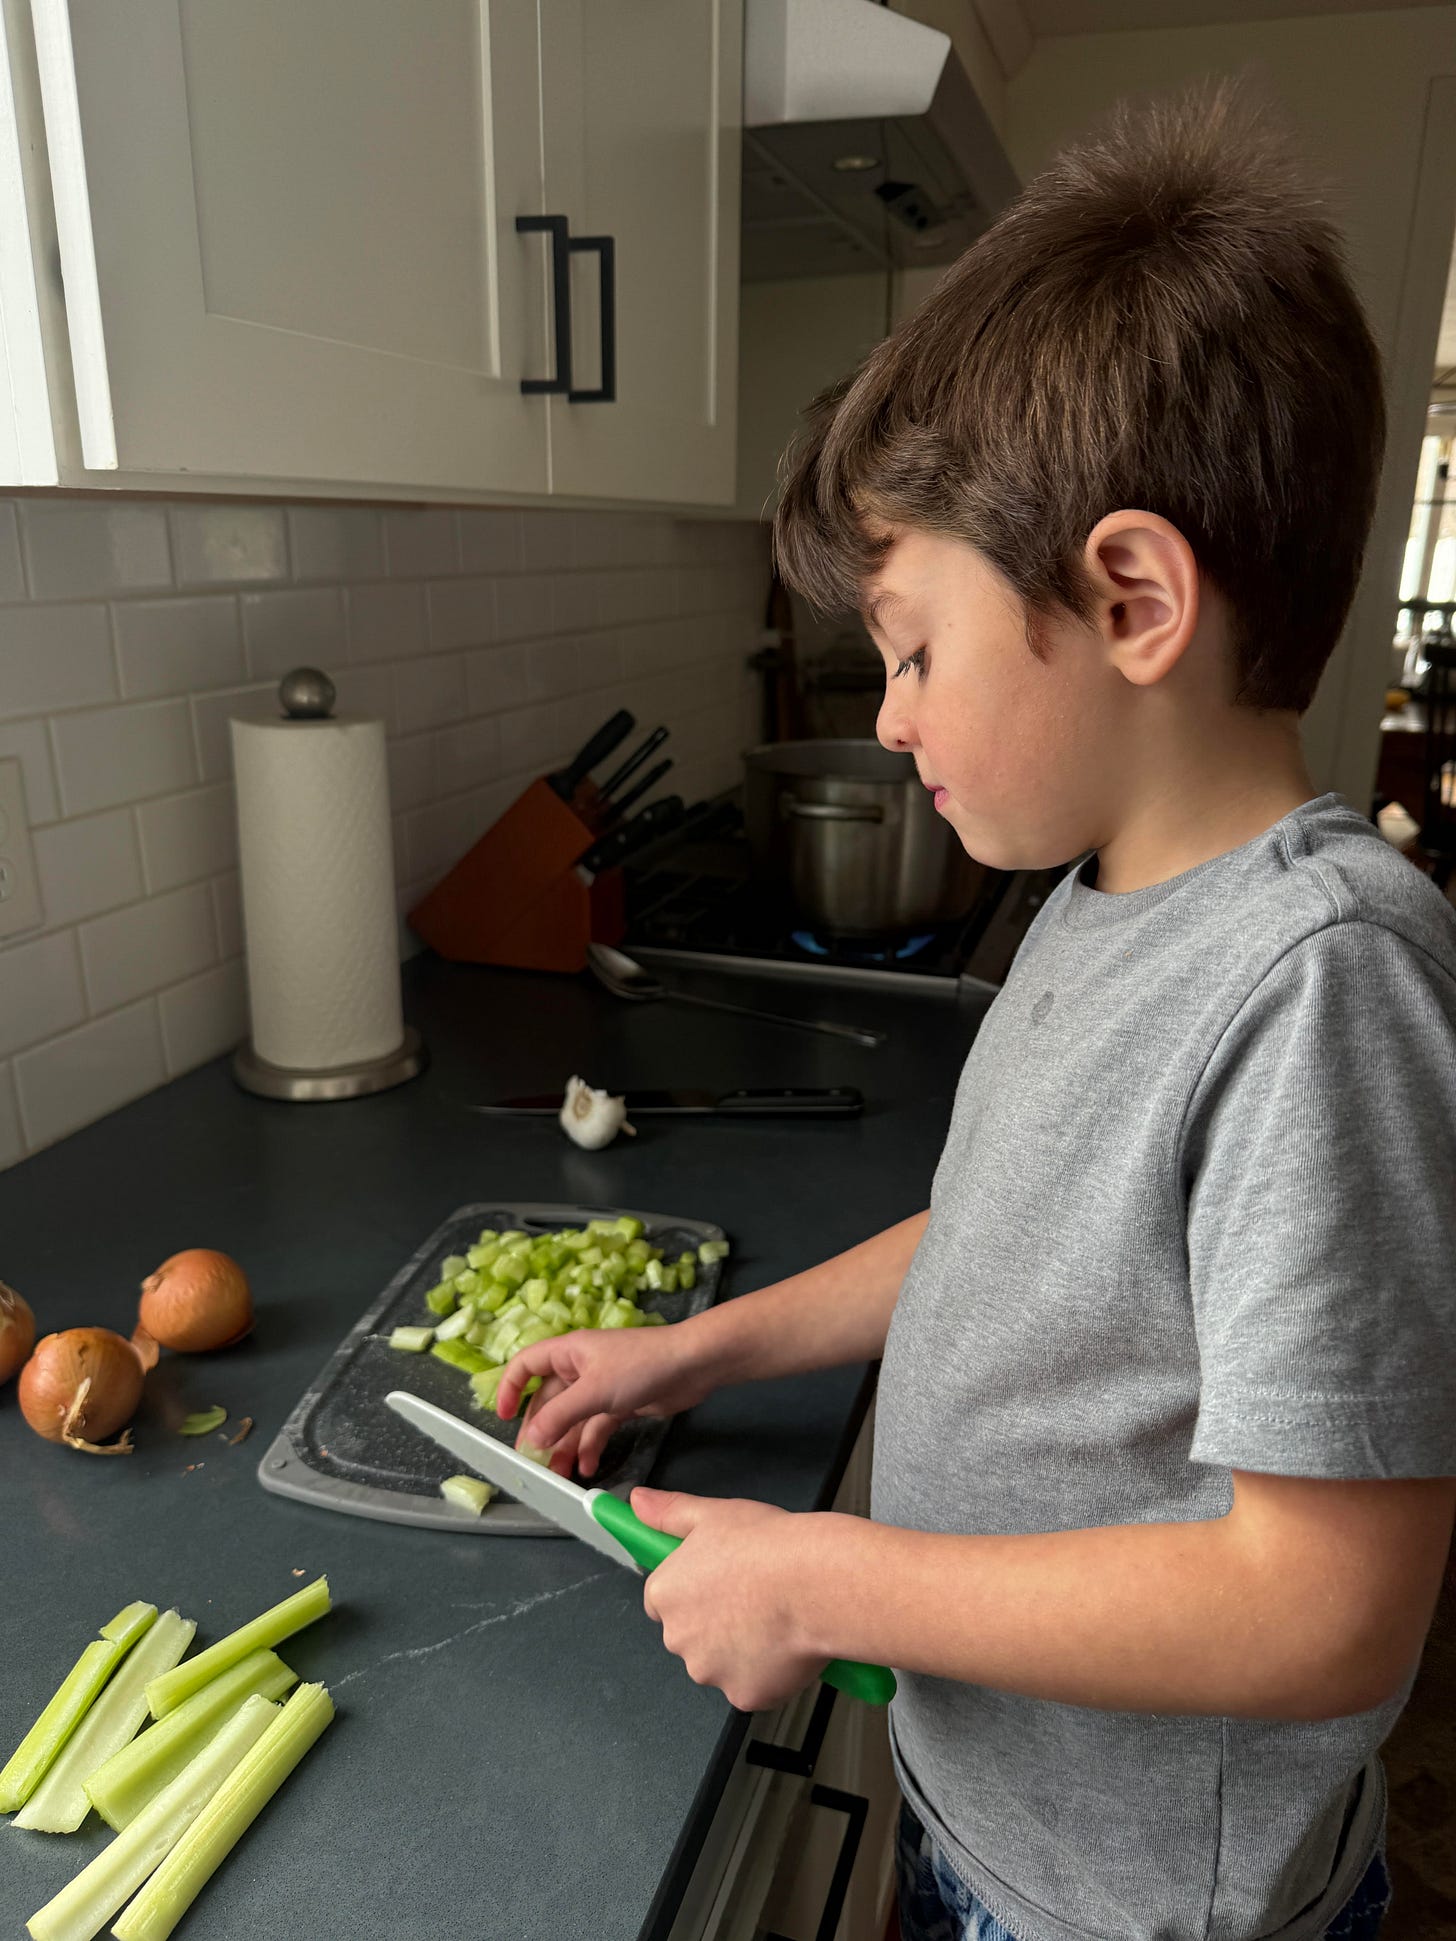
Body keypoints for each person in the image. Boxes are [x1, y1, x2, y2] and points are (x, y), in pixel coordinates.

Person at [495, 83, 1456, 1941]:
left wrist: (834, 1579)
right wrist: (698, 1354)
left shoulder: (1321, 980)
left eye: (917, 648)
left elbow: (1326, 1599)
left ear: (1132, 595)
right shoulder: (1098, 901)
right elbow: (1007, 1237)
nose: (892, 717)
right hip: (992, 1821)